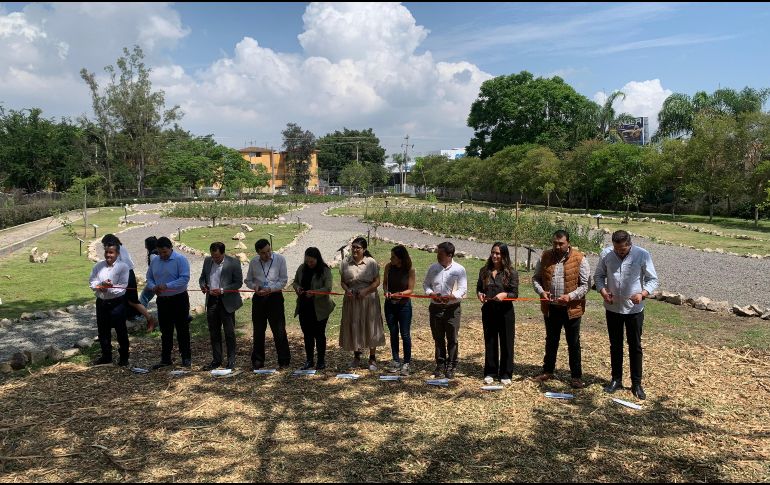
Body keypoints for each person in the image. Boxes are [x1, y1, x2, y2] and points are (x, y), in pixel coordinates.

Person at [594, 230, 659, 400]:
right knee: (615, 345)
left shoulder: (642, 255)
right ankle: (616, 380)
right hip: (613, 308)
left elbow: (653, 279)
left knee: (635, 346)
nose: (619, 252)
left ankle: (636, 383)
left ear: (629, 244)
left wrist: (643, 294)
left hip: (634, 310)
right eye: (616, 249)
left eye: (622, 250)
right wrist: (602, 290)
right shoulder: (606, 254)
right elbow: (599, 276)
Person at [531, 230, 590, 389]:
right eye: (555, 243)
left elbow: (586, 285)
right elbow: (536, 278)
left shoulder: (580, 259)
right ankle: (548, 371)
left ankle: (576, 377)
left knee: (573, 343)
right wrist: (541, 292)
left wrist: (570, 296)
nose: (557, 246)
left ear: (568, 243)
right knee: (551, 340)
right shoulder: (545, 257)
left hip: (571, 309)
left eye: (561, 243)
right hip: (551, 309)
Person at [476, 242, 519, 386]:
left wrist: (505, 295)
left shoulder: (511, 273)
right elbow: (479, 288)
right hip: (488, 311)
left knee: (506, 342)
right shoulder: (484, 271)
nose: (495, 256)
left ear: (504, 255)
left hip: (505, 312)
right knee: (490, 341)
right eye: (493, 252)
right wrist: (480, 294)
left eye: (498, 253)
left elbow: (515, 294)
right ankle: (490, 372)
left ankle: (506, 373)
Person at [146, 236, 192, 369]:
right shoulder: (155, 260)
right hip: (162, 300)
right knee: (165, 331)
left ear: (171, 248)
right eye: (160, 252)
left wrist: (167, 286)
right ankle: (166, 358)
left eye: (164, 252)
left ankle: (186, 358)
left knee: (182, 329)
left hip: (179, 299)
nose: (162, 255)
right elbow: (149, 277)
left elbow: (184, 278)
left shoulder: (180, 259)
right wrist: (153, 286)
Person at [339, 237, 385, 371]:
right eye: (353, 247)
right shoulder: (345, 262)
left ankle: (372, 358)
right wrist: (347, 290)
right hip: (352, 300)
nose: (354, 250)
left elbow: (377, 282)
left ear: (364, 249)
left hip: (368, 299)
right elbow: (343, 281)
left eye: (357, 247)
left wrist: (366, 291)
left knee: (370, 325)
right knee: (354, 325)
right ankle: (356, 356)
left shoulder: (371, 263)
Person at [423, 241, 467, 379]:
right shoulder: (433, 268)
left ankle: (452, 365)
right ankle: (440, 364)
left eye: (440, 254)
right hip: (435, 307)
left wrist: (453, 296)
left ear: (449, 255)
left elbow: (463, 289)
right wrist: (431, 293)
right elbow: (426, 284)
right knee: (438, 337)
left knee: (452, 338)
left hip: (452, 309)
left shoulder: (459, 270)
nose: (438, 256)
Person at [245, 239, 291, 370]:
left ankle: (284, 360)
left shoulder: (280, 259)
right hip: (259, 299)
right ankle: (258, 360)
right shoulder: (254, 262)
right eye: (264, 253)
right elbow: (248, 280)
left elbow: (283, 281)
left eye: (269, 251)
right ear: (258, 253)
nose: (267, 255)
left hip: (274, 297)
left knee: (279, 330)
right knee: (258, 330)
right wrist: (255, 287)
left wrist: (270, 289)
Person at [199, 242, 243, 371]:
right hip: (212, 300)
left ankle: (231, 360)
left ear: (223, 253)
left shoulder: (234, 263)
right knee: (214, 332)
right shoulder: (208, 261)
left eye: (217, 257)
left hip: (226, 302)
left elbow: (238, 283)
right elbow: (202, 277)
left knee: (229, 332)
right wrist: (203, 285)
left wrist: (223, 290)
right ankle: (217, 360)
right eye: (213, 256)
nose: (215, 259)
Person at [101, 234, 157, 331]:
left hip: (126, 275)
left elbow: (120, 264)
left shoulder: (118, 249)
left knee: (132, 300)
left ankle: (150, 318)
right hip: (126, 274)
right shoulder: (121, 248)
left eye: (105, 244)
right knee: (123, 299)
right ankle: (121, 320)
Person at [292, 247, 335, 370]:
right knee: (307, 335)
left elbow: (328, 288)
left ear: (317, 259)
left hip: (320, 308)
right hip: (304, 306)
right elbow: (295, 282)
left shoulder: (325, 270)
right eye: (307, 261)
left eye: (312, 261)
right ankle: (309, 360)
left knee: (319, 334)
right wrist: (298, 288)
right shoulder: (301, 268)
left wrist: (314, 292)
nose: (309, 264)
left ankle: (321, 360)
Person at [89, 242, 130, 366]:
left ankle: (124, 357)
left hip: (117, 303)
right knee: (103, 331)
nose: (108, 255)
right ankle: (106, 356)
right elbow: (92, 281)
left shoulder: (123, 267)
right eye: (106, 252)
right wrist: (100, 286)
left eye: (111, 252)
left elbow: (123, 287)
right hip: (102, 302)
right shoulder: (98, 266)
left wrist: (108, 288)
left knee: (121, 330)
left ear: (117, 253)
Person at [383, 245, 416, 376]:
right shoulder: (388, 267)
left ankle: (407, 362)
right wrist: (386, 292)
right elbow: (385, 283)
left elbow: (411, 289)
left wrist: (400, 294)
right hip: (390, 304)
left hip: (404, 306)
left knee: (405, 333)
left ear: (400, 258)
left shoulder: (410, 269)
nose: (391, 259)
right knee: (393, 332)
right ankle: (396, 360)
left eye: (393, 257)